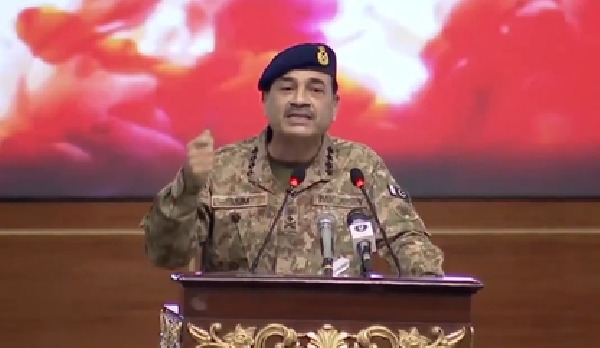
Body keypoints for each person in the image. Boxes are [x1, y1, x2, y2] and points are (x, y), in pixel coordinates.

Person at [141, 42, 444, 277]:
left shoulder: (360, 167)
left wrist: (432, 291)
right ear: (265, 101)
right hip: (239, 333)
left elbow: (408, 242)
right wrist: (188, 189)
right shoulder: (221, 169)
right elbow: (166, 256)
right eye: (287, 88)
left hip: (336, 333)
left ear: (334, 106)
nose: (300, 100)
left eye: (315, 89)